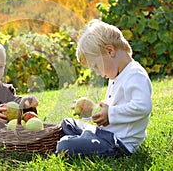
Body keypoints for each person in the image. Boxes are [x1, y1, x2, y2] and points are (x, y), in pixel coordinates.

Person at [55, 19, 152, 157]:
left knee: (65, 145)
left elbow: (143, 106)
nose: (97, 72)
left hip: (118, 143)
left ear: (110, 51)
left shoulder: (135, 74)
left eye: (96, 66)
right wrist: (93, 111)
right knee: (67, 124)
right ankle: (81, 140)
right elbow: (111, 112)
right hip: (105, 134)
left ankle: (74, 143)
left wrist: (110, 114)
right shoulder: (117, 75)